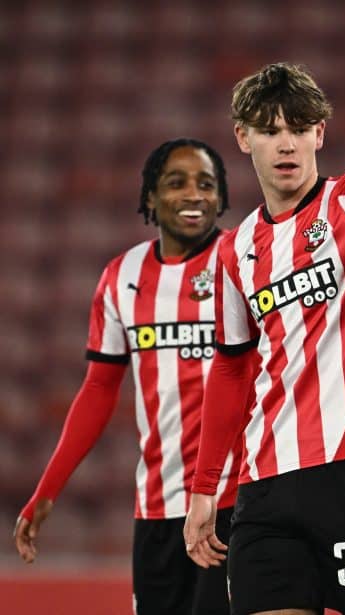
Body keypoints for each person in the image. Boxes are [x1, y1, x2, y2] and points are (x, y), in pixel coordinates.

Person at [182, 62, 345, 615]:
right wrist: (204, 489)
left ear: (320, 133)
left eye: (297, 128)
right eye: (269, 130)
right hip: (265, 486)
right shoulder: (234, 249)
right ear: (243, 138)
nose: (284, 144)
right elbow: (231, 369)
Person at [13, 138, 240, 615]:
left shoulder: (243, 261)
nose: (194, 195)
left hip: (233, 503)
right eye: (175, 183)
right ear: (150, 197)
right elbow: (98, 389)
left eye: (206, 184)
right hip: (156, 507)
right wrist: (47, 490)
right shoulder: (121, 276)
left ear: (221, 197)